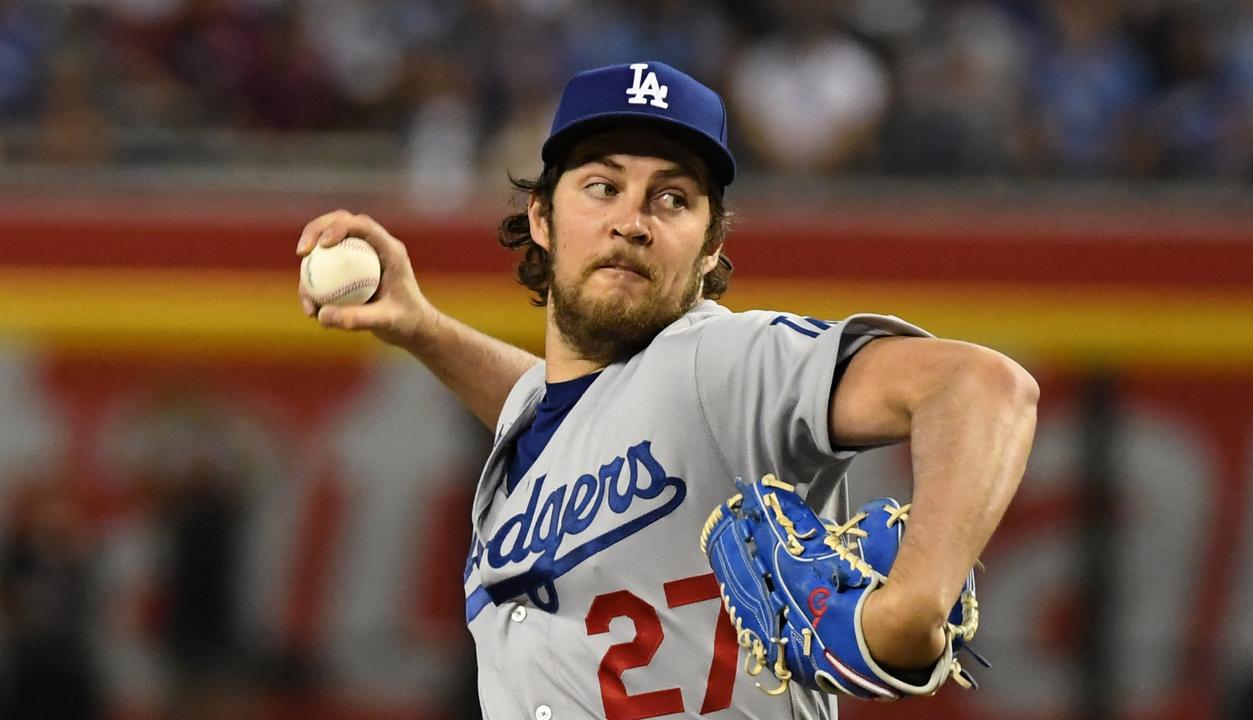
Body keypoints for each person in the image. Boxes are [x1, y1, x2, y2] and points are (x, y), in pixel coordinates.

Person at [295, 61, 1038, 719]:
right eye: (602, 186)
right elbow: (557, 406)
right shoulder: (549, 418)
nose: (632, 221)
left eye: (672, 199)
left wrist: (913, 604)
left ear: (712, 245)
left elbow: (983, 386)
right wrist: (421, 327)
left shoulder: (721, 358)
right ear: (543, 219)